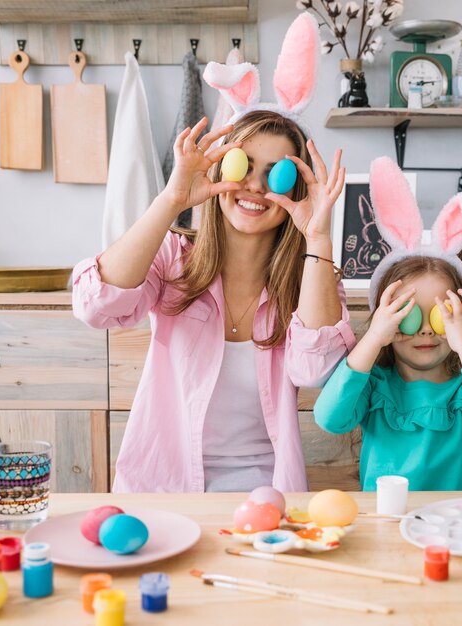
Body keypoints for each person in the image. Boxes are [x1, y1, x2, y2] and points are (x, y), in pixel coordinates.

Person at [72, 14, 356, 493]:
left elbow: (317, 371)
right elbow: (96, 306)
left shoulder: (311, 276)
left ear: (297, 187)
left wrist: (320, 239)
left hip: (269, 493)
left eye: (278, 174)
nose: (256, 187)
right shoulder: (173, 258)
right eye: (243, 164)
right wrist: (171, 200)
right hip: (165, 488)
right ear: (221, 167)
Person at [314, 157, 462, 491]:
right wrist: (372, 339)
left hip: (456, 529)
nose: (426, 329)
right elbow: (329, 418)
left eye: (441, 316)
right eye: (410, 314)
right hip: (388, 527)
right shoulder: (376, 387)